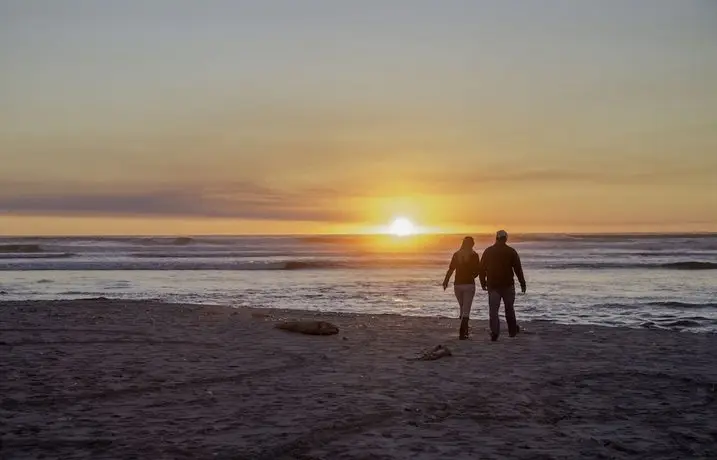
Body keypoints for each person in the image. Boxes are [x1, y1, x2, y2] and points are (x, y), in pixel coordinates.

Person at [479, 230, 526, 341]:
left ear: (496, 238)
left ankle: (495, 333)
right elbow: (518, 269)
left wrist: (483, 282)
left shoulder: (488, 251)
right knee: (509, 309)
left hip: (493, 285)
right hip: (508, 285)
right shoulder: (511, 251)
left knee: (493, 311)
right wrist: (522, 283)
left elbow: (481, 269)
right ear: (505, 239)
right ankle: (512, 332)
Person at [443, 236, 481, 340]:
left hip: (457, 285)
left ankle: (466, 330)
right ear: (472, 244)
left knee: (463, 307)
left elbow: (451, 269)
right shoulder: (474, 255)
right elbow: (477, 271)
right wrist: (474, 275)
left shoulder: (456, 255)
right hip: (469, 284)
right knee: (466, 310)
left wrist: (446, 281)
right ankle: (462, 332)